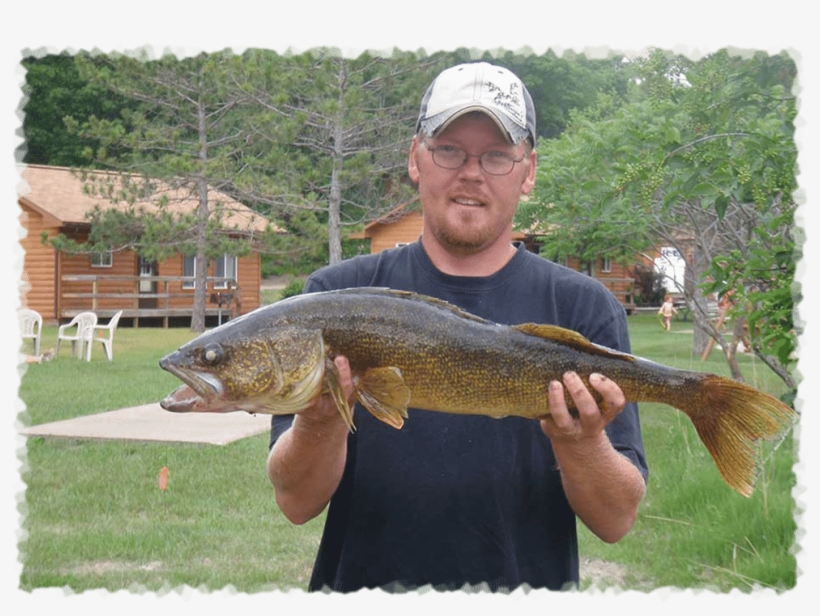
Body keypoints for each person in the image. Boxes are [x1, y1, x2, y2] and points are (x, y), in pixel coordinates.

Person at [267, 62, 648, 593]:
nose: (471, 172)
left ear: (528, 170)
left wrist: (582, 445)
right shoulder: (334, 299)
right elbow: (295, 503)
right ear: (415, 158)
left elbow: (616, 521)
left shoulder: (583, 307)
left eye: (496, 155)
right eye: (449, 150)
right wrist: (319, 421)